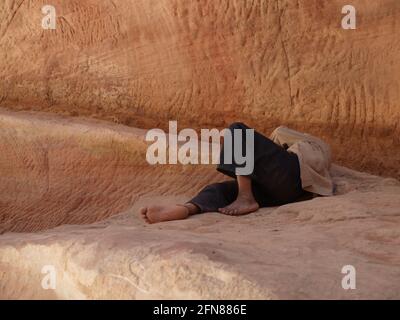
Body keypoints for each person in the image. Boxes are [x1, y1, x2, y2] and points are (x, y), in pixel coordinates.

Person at [140, 123, 334, 224]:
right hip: (283, 192)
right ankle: (189, 208)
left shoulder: (311, 145)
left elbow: (280, 134)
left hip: (294, 178)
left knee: (238, 130)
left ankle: (245, 196)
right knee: (219, 190)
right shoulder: (290, 160)